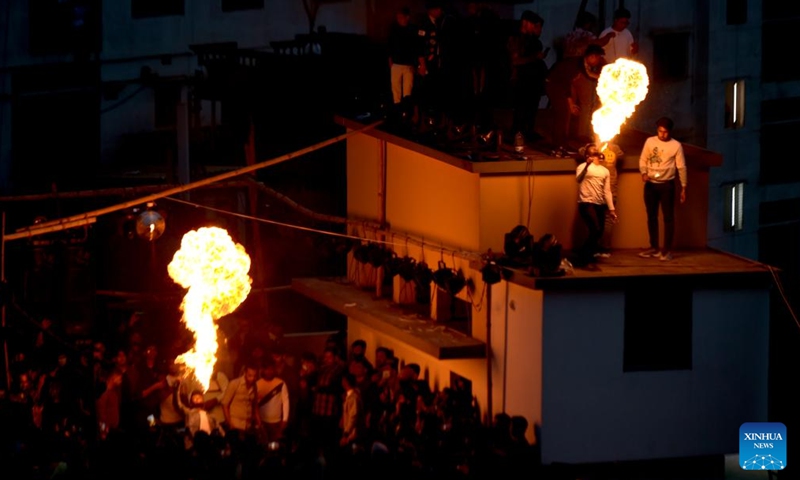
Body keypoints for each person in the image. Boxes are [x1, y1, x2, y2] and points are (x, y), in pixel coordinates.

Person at [638, 117, 687, 261]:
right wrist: (644, 173)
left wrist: (684, 187)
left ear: (670, 132)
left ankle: (666, 250)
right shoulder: (650, 141)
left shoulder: (676, 146)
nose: (662, 134)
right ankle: (654, 247)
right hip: (651, 185)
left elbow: (681, 167)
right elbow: (643, 159)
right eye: (660, 131)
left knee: (668, 218)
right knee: (651, 216)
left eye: (665, 132)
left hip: (667, 185)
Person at [508, 10, 548, 141]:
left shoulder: (533, 41)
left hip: (533, 81)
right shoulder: (516, 38)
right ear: (526, 23)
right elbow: (515, 60)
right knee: (521, 108)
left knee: (531, 108)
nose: (538, 29)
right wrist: (535, 58)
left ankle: (528, 131)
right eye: (535, 25)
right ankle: (517, 133)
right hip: (522, 79)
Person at [575, 144, 617, 265]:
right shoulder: (582, 167)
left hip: (599, 204)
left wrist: (612, 210)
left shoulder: (605, 171)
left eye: (596, 150)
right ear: (588, 155)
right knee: (595, 229)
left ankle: (587, 254)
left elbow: (607, 191)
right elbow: (578, 179)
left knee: (599, 231)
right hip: (586, 203)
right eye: (592, 150)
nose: (596, 150)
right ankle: (584, 256)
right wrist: (587, 165)